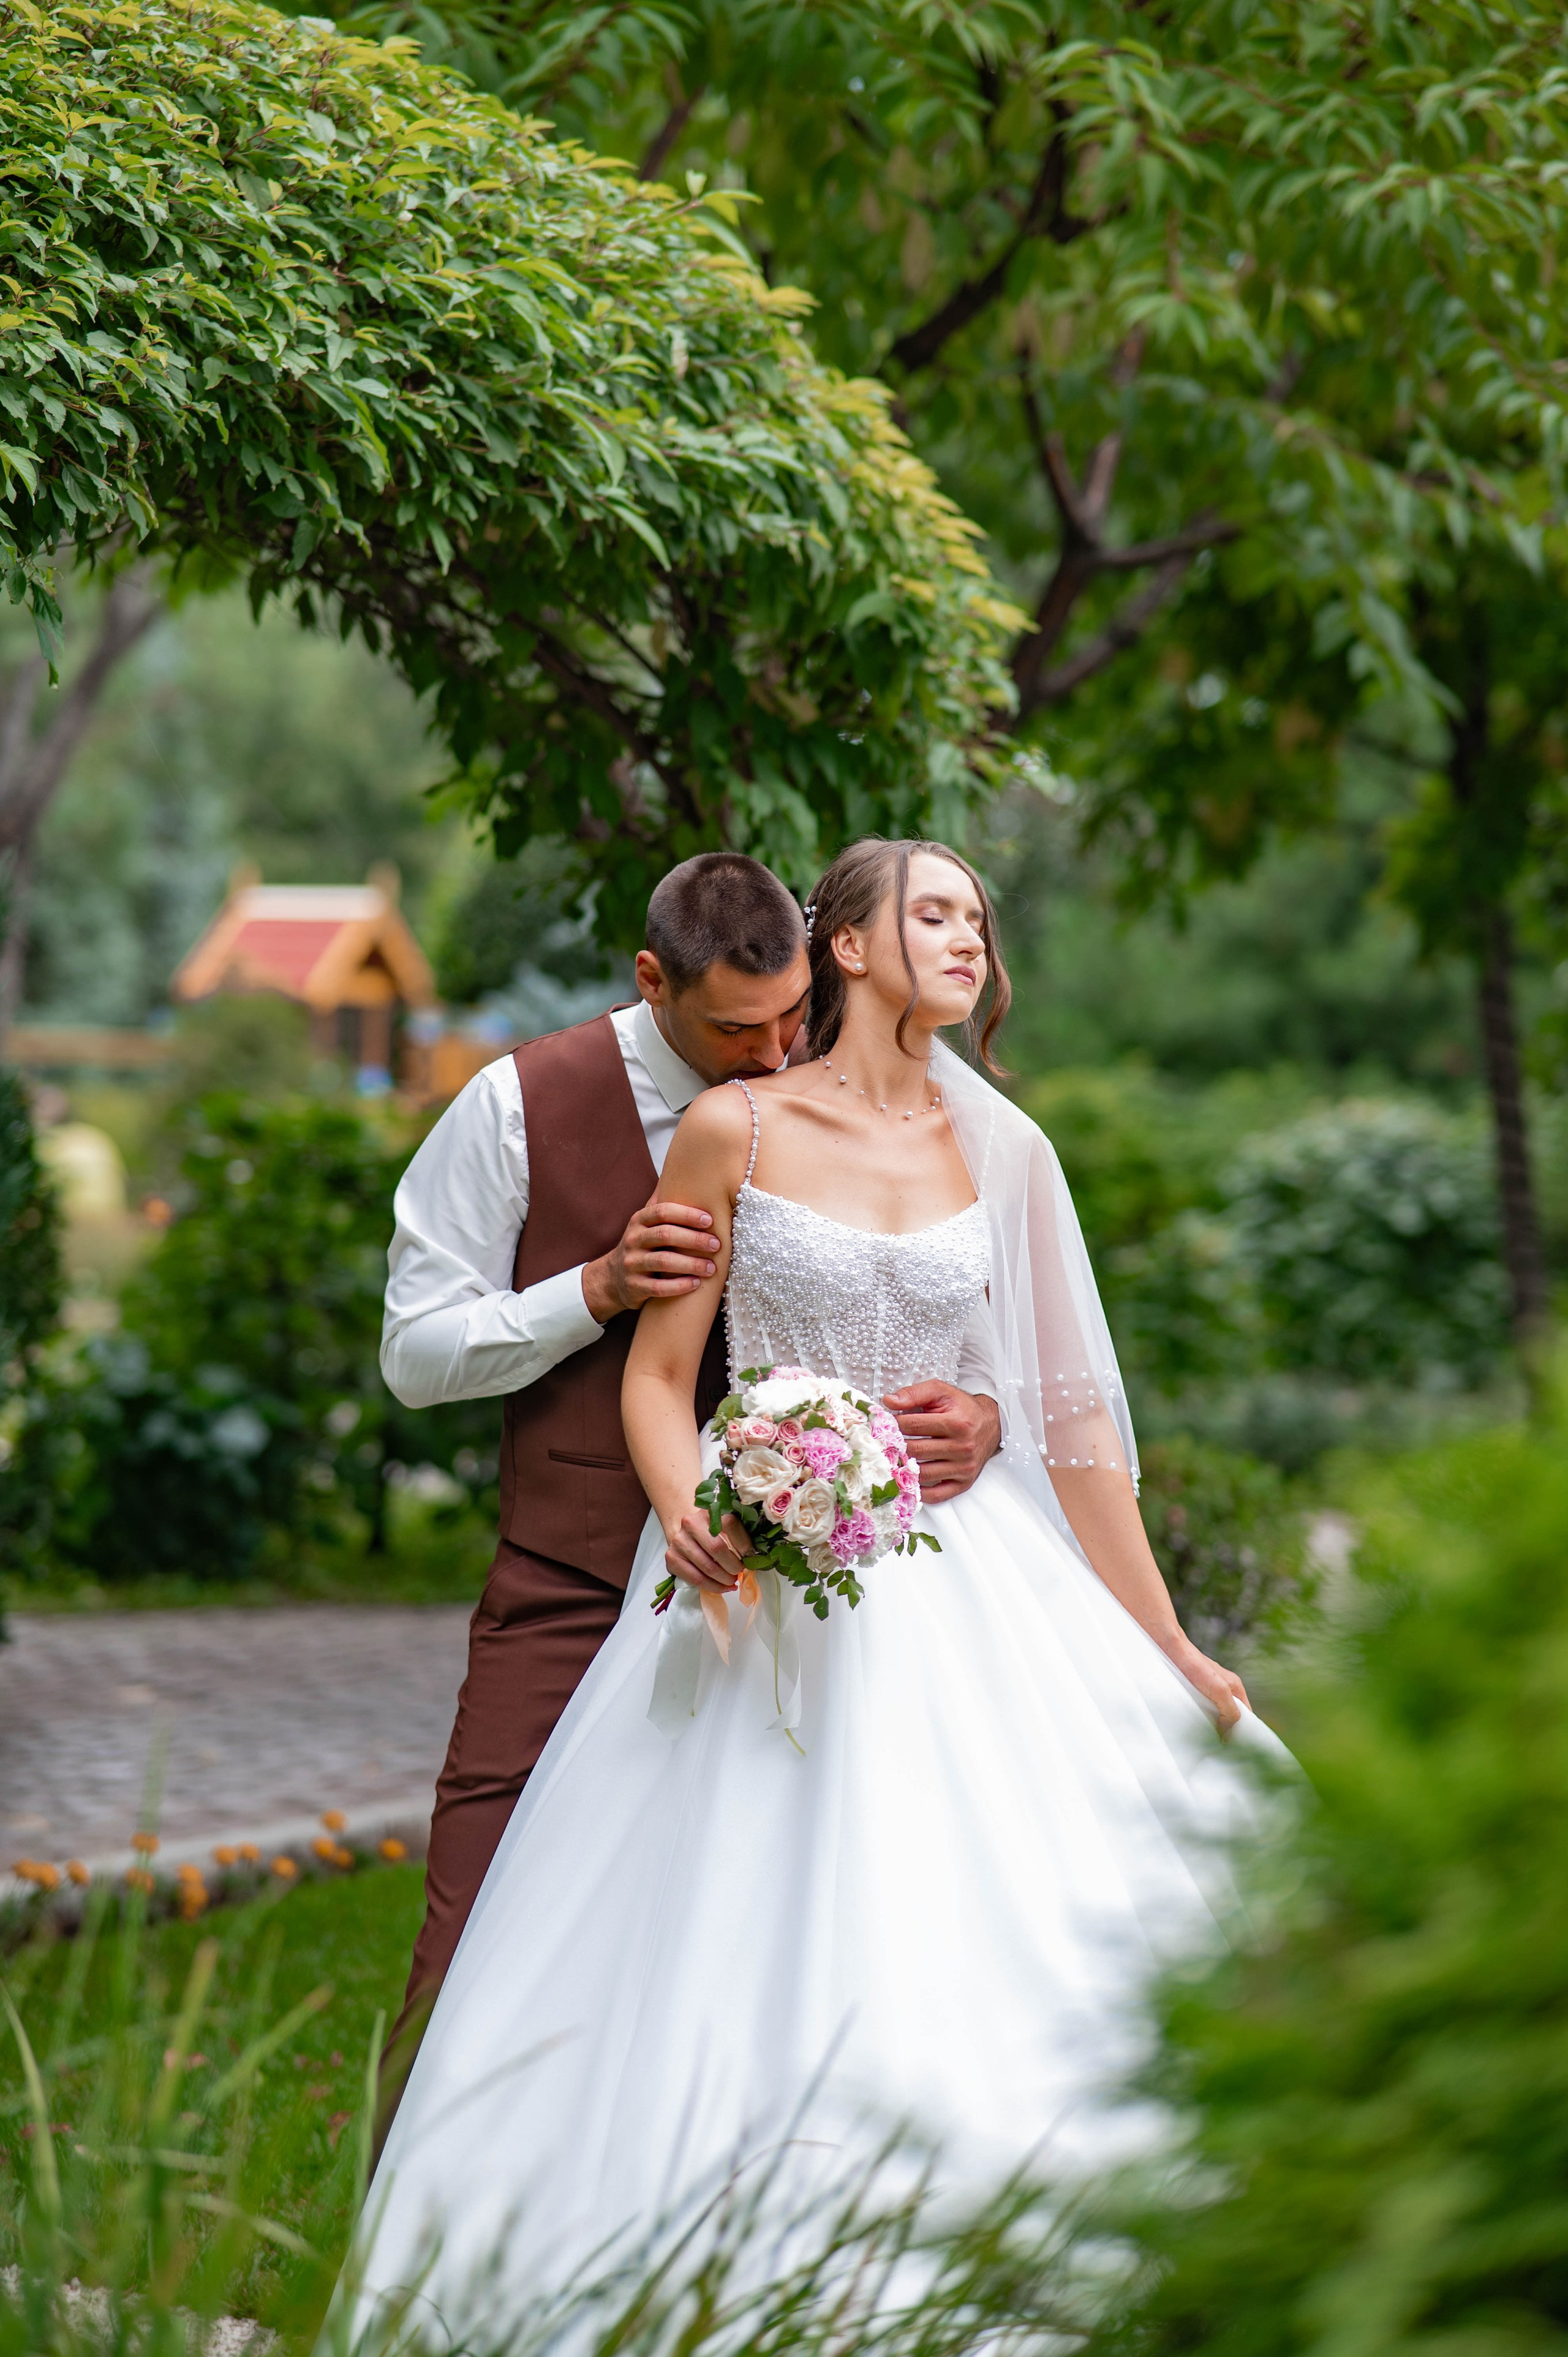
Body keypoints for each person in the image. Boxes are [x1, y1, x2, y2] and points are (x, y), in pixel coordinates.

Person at [353, 838, 1289, 2347]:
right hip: (692, 1581)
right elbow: (621, 1375)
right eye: (933, 911)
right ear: (841, 944)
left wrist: (1154, 1625)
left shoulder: (1001, 1148)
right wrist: (682, 1472)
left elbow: (1065, 1416)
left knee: (964, 1904)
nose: (967, 936)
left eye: (979, 916)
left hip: (948, 1582)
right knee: (570, 1928)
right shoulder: (663, 1123)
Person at [378, 850, 1003, 2078]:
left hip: (822, 1608)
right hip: (572, 1583)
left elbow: (953, 1280)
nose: (773, 1053)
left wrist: (979, 1411)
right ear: (651, 979)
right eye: (735, 1027)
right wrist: (593, 1289)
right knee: (477, 1931)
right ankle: (420, 2241)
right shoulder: (517, 1107)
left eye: (789, 1019)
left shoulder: (843, 1086)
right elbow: (412, 1354)